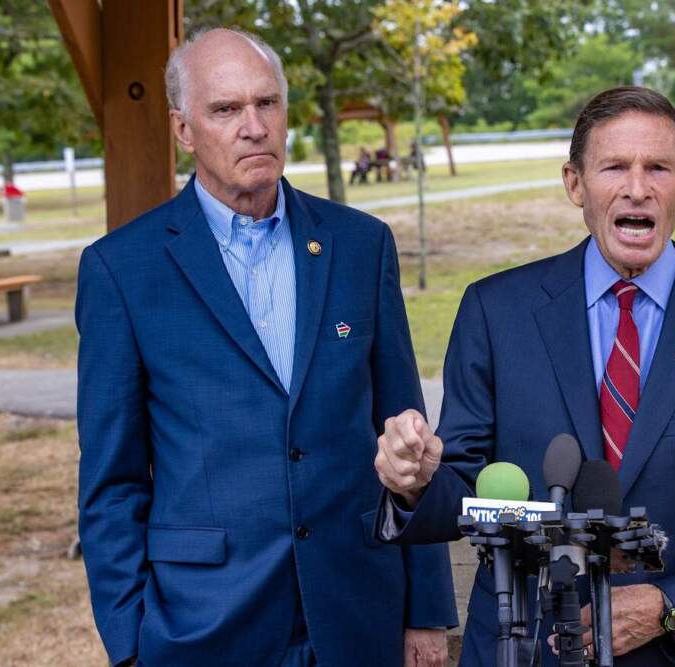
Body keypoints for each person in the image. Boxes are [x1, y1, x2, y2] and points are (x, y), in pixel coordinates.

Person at [374, 86, 675, 666]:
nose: (636, 187)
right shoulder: (496, 312)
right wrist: (416, 482)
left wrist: (670, 605)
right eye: (614, 166)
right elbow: (468, 490)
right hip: (521, 651)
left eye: (658, 168)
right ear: (575, 184)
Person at [76, 28, 456, 667]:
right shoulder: (122, 269)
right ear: (184, 129)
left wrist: (426, 610)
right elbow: (111, 482)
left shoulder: (360, 245)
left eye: (267, 103)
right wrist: (128, 644)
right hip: (204, 624)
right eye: (225, 109)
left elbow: (407, 435)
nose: (254, 126)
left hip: (357, 611)